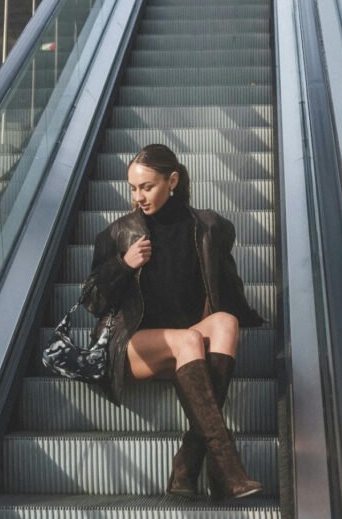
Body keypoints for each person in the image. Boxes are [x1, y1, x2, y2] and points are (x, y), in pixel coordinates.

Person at [82, 144, 265, 500]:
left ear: (173, 181)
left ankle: (189, 459)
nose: (139, 197)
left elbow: (227, 290)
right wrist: (124, 265)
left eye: (147, 187)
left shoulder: (209, 228)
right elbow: (92, 301)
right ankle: (226, 467)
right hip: (132, 344)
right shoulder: (118, 234)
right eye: (133, 189)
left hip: (186, 344)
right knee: (188, 341)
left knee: (225, 322)